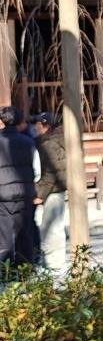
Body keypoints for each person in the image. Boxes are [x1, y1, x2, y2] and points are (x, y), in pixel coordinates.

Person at [0, 105, 38, 272]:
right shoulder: (29, 142)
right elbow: (37, 170)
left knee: (4, 237)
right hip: (25, 193)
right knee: (25, 235)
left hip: (3, 196)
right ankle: (25, 272)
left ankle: (5, 272)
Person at [32, 111, 68, 277]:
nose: (36, 127)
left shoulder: (50, 143)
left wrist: (40, 194)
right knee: (52, 226)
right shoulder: (53, 139)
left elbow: (52, 172)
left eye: (38, 124)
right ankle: (51, 261)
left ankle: (54, 263)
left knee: (52, 227)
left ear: (45, 126)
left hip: (53, 190)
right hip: (54, 188)